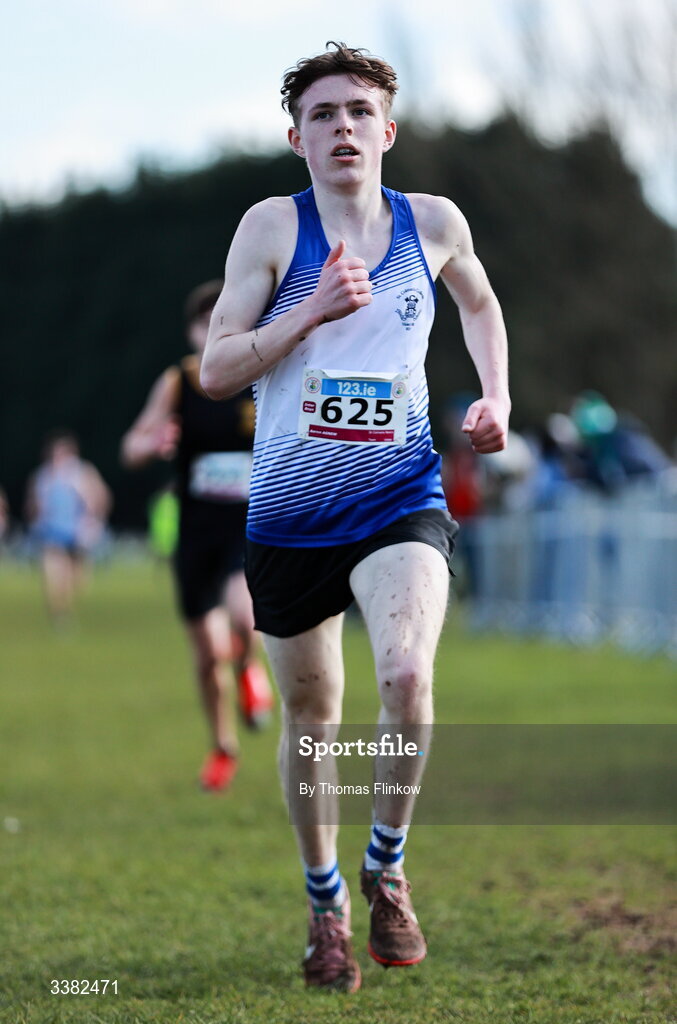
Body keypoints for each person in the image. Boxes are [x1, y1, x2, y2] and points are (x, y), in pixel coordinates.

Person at [200, 42, 510, 991]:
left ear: (388, 129)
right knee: (310, 715)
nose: (344, 127)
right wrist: (309, 316)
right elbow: (216, 371)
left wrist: (496, 395)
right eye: (324, 113)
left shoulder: (433, 221)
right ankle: (324, 899)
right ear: (295, 136)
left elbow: (482, 303)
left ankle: (385, 866)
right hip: (291, 514)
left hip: (398, 495)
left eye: (359, 111)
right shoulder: (269, 229)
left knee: (408, 675)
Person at [121, 281, 274, 792]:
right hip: (195, 533)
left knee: (246, 616)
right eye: (203, 324)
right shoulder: (179, 382)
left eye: (223, 321)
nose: (213, 333)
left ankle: (251, 672)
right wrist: (151, 443)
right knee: (209, 656)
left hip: (246, 525)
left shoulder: (261, 375)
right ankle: (222, 746)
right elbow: (132, 447)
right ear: (190, 332)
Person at [26, 430, 111, 624]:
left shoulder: (84, 473)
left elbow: (101, 496)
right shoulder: (43, 477)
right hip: (51, 530)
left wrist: (95, 518)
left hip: (78, 531)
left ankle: (67, 607)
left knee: (77, 580)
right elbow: (32, 505)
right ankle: (59, 614)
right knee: (54, 575)